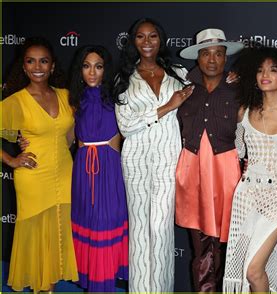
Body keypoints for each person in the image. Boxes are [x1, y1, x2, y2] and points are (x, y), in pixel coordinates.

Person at [113, 18, 193, 292]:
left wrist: (232, 77)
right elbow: (126, 125)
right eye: (140, 36)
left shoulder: (179, 73)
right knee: (138, 231)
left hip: (168, 160)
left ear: (161, 40)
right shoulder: (123, 78)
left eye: (153, 36)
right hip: (135, 161)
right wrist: (168, 106)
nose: (147, 42)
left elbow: (205, 87)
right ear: (133, 41)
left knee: (160, 231)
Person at [223, 46, 277, 293]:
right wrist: (245, 162)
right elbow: (239, 152)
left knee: (253, 269)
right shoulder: (244, 112)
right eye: (259, 70)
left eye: (273, 69)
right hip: (247, 196)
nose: (265, 75)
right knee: (247, 271)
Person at [0, 37, 78, 292]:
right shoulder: (16, 101)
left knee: (57, 230)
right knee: (36, 233)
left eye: (43, 61)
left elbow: (70, 135)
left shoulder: (66, 96)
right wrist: (11, 159)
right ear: (23, 67)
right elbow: (8, 134)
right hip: (32, 176)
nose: (37, 66)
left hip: (65, 173)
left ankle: (50, 287)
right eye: (30, 61)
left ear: (52, 66)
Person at [175, 28, 244, 292]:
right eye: (206, 53)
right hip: (193, 171)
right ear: (198, 57)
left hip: (227, 172)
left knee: (229, 243)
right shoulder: (184, 88)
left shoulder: (241, 87)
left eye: (218, 53)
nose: (212, 59)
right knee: (201, 244)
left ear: (226, 58)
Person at [68, 45, 128, 292]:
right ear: (79, 69)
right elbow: (65, 136)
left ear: (106, 69)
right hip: (83, 170)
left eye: (98, 66)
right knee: (88, 223)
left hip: (109, 167)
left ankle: (104, 284)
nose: (92, 72)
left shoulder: (118, 97)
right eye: (86, 65)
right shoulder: (73, 99)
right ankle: (90, 280)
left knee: (106, 222)